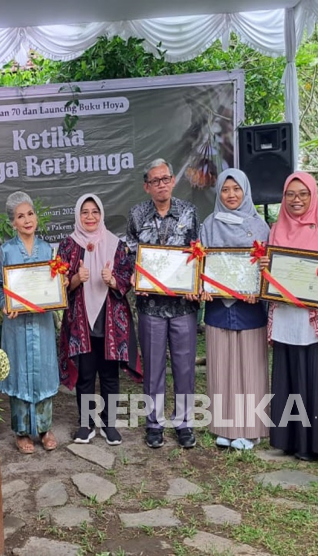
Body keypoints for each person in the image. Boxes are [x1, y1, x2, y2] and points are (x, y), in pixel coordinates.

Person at [261, 172, 318, 461]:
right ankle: (289, 441)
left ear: (313, 196)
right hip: (286, 316)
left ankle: (317, 445)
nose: (296, 200)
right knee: (288, 380)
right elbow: (270, 272)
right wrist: (264, 268)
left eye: (303, 194)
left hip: (317, 319)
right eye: (290, 194)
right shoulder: (275, 229)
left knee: (316, 381)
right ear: (283, 197)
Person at [125, 158, 200, 449]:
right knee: (153, 367)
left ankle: (184, 423)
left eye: (165, 178)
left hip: (183, 306)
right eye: (155, 180)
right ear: (147, 186)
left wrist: (195, 284)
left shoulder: (189, 212)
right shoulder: (136, 215)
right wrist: (135, 277)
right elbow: (130, 254)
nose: (161, 184)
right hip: (150, 306)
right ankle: (153, 423)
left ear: (173, 181)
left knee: (184, 367)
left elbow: (198, 253)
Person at [198, 169, 271, 450]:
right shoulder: (209, 224)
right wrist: (202, 285)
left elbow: (267, 267)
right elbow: (201, 264)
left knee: (250, 366)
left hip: (251, 308)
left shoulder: (259, 225)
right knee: (221, 365)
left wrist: (259, 289)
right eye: (225, 189)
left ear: (246, 191)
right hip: (217, 307)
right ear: (219, 192)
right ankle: (225, 427)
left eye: (236, 189)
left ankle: (250, 430)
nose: (231, 195)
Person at [59, 194, 134, 446]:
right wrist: (76, 279)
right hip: (81, 321)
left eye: (95, 212)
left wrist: (113, 280)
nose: (90, 217)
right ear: (78, 216)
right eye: (85, 212)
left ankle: (109, 423)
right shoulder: (68, 245)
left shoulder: (116, 244)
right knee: (86, 374)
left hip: (110, 320)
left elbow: (127, 275)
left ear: (101, 214)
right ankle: (86, 424)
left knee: (110, 374)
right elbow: (58, 284)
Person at [0, 192, 60, 454]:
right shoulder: (6, 251)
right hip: (17, 323)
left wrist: (58, 289)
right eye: (21, 216)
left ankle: (44, 428)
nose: (27, 219)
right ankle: (21, 432)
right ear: (13, 223)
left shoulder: (46, 249)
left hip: (42, 321)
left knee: (43, 370)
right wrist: (4, 305)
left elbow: (52, 283)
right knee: (19, 372)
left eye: (30, 214)